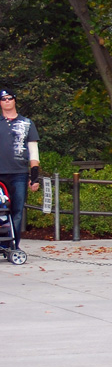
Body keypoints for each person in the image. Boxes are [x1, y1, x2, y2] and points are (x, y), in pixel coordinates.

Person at [0, 88, 40, 255]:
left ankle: (14, 245)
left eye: (10, 98)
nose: (7, 101)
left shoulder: (27, 123)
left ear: (15, 100)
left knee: (17, 210)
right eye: (3, 99)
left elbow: (33, 152)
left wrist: (35, 177)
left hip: (19, 174)